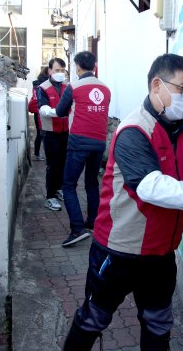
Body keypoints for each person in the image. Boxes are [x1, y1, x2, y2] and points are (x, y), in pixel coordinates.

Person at [63, 53, 183, 350]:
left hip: (161, 255)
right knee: (93, 319)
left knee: (158, 324)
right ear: (157, 85)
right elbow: (151, 187)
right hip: (118, 251)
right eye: (182, 90)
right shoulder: (134, 130)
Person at [55, 51, 111, 247]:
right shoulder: (106, 89)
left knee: (69, 185)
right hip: (99, 142)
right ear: (94, 66)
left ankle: (77, 229)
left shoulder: (74, 86)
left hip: (78, 142)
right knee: (91, 183)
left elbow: (60, 111)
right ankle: (93, 222)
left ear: (78, 66)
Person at [38, 58, 69, 211]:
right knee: (53, 164)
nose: (60, 73)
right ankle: (50, 196)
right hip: (50, 132)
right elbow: (42, 108)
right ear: (50, 71)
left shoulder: (68, 86)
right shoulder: (43, 88)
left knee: (63, 162)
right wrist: (56, 112)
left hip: (66, 131)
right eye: (57, 70)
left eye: (62, 70)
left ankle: (59, 189)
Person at [28, 66, 49, 161]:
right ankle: (44, 155)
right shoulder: (45, 84)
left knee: (40, 133)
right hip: (43, 110)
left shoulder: (36, 84)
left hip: (37, 111)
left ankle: (37, 153)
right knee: (44, 133)